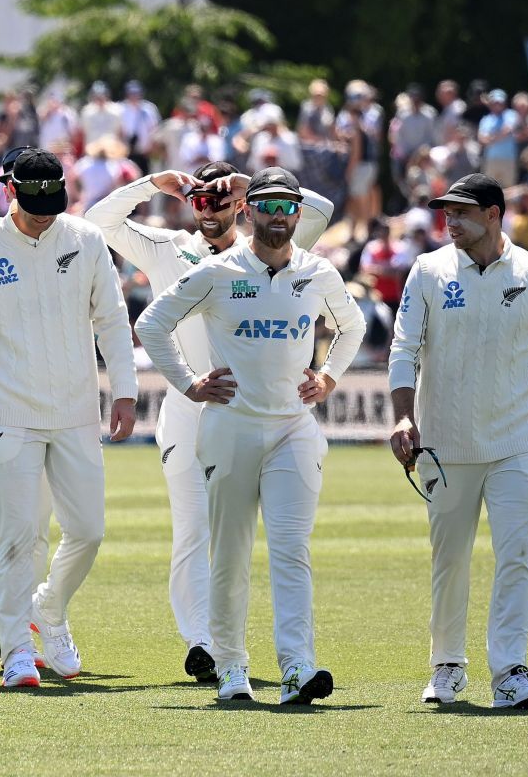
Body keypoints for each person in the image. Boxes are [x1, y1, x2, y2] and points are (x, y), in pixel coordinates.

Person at [86, 160, 334, 683]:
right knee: (193, 527)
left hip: (252, 408)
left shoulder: (263, 245)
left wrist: (253, 189)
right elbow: (98, 219)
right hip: (187, 402)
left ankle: (241, 645)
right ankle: (201, 640)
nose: (209, 208)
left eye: (220, 199)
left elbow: (319, 210)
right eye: (200, 199)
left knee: (256, 535)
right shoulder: (167, 246)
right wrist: (156, 184)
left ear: (240, 205)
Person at [136, 168, 364, 706]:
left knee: (291, 551)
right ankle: (231, 668)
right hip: (231, 427)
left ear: (298, 214)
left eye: (289, 207)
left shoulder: (316, 271)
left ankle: (297, 668)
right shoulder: (218, 271)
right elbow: (151, 323)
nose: (279, 216)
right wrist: (190, 384)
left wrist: (329, 376)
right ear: (248, 211)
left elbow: (351, 326)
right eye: (267, 206)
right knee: (231, 554)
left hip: (292, 428)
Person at [0, 148, 137, 688]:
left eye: (52, 201)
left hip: (76, 411)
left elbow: (112, 321)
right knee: (18, 535)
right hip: (9, 412)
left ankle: (48, 607)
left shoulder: (86, 240)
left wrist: (125, 390)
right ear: (9, 192)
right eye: (33, 203)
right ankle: (16, 650)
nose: (44, 213)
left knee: (88, 531)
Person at [387, 173, 528, 711]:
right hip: (444, 443)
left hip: (516, 439)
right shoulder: (428, 270)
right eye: (446, 213)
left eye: (462, 213)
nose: (451, 222)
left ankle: (510, 669)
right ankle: (447, 664)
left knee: (515, 555)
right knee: (451, 561)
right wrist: (403, 419)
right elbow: (404, 349)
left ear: (494, 214)